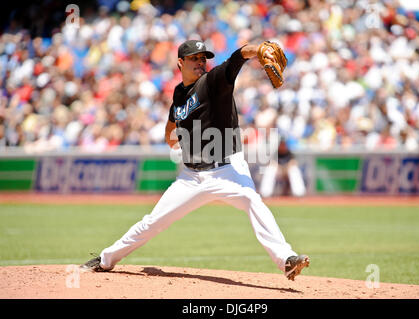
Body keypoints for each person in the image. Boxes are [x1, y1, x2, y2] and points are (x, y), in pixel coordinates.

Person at [80, 40, 309, 281]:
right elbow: (171, 129)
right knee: (153, 222)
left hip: (227, 170)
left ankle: (286, 260)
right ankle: (106, 260)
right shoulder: (179, 94)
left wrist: (259, 49)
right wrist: (175, 139)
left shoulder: (213, 81)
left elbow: (236, 58)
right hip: (190, 177)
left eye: (203, 58)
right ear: (180, 62)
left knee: (253, 202)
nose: (200, 62)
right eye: (194, 58)